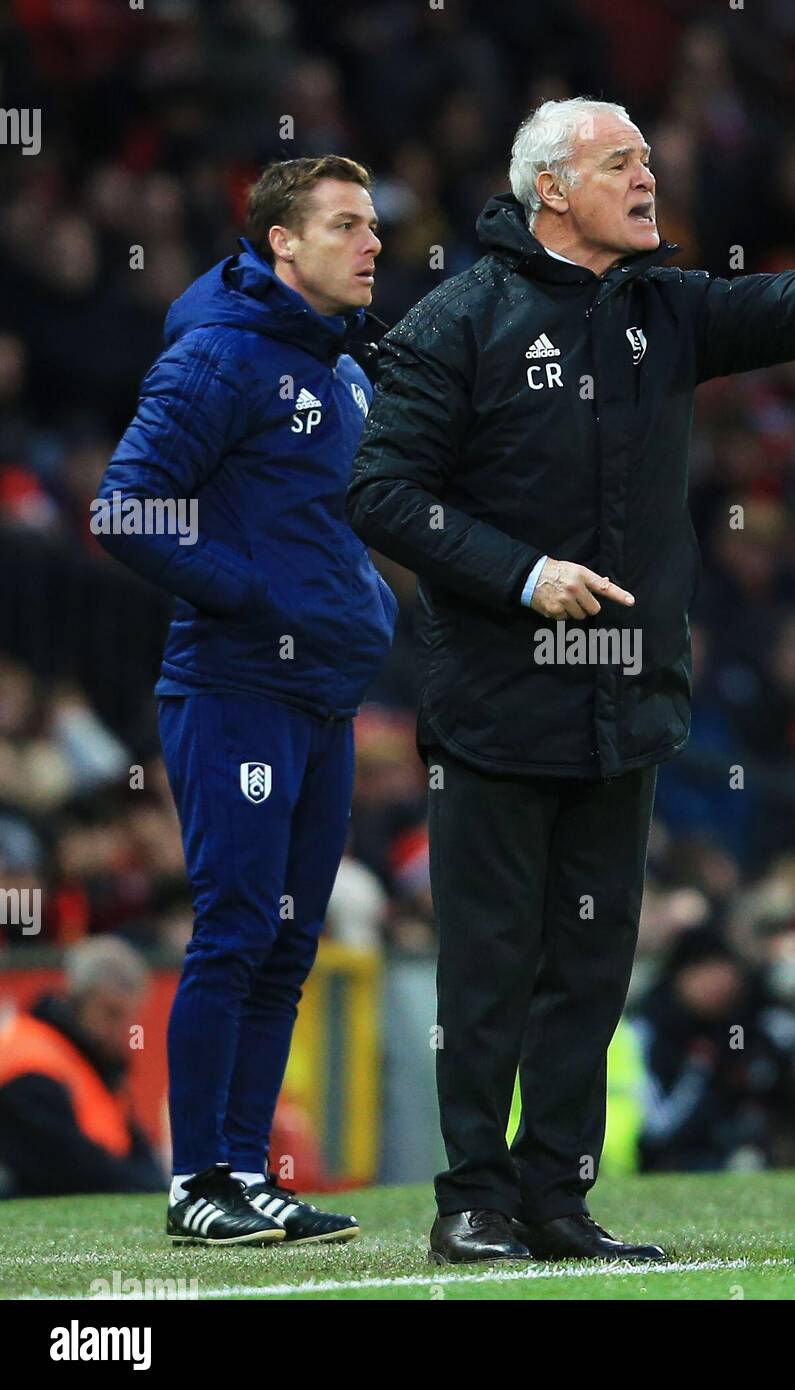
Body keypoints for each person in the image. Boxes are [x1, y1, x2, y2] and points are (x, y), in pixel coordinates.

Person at [347, 95, 795, 1264]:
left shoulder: (663, 313)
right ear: (552, 190)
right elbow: (382, 491)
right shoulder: (458, 322)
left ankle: (558, 1201)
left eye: (648, 160)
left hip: (625, 700)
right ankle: (470, 1204)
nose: (649, 179)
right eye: (621, 163)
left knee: (588, 970)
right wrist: (523, 574)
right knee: (490, 968)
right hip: (498, 700)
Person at [95, 156, 396, 1245]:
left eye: (374, 225)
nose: (373, 245)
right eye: (349, 226)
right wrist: (260, 593)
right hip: (235, 686)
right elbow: (124, 507)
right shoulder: (221, 356)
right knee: (233, 931)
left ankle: (242, 1166)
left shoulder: (344, 366)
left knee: (285, 940)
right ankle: (195, 1182)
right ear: (283, 242)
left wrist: (355, 601)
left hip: (318, 693)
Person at [0, 938, 165, 1198]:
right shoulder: (29, 1057)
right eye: (111, 1013)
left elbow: (134, 1146)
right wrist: (148, 1185)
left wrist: (155, 1184)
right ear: (76, 1000)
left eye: (129, 1017)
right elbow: (68, 1165)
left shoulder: (94, 1062)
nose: (122, 1031)